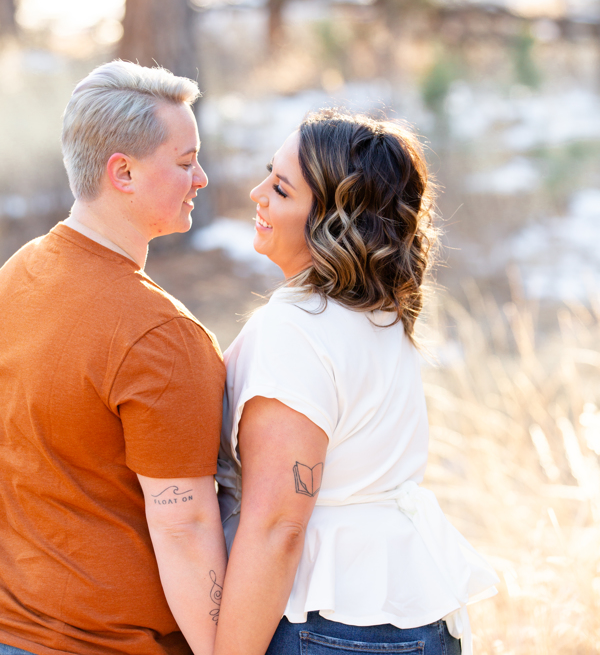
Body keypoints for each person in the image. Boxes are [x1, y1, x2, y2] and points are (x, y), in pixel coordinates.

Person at [216, 109, 498, 655]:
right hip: (412, 609)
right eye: (267, 174)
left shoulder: (295, 330)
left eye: (280, 187)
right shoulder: (381, 315)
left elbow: (279, 527)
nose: (257, 193)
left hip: (331, 625)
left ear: (330, 221)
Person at [0, 61, 227, 655]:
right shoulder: (161, 335)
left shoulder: (19, 272)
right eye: (184, 162)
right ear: (121, 172)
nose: (201, 177)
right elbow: (187, 526)